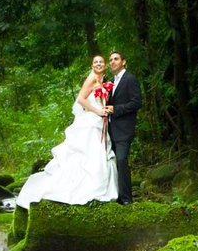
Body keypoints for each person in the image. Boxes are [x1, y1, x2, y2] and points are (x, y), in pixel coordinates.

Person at [15, 55, 118, 209]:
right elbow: (81, 100)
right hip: (90, 122)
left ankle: (99, 188)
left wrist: (103, 111)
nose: (98, 64)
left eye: (101, 62)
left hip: (99, 121)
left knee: (99, 153)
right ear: (91, 65)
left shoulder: (103, 82)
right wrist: (98, 111)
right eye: (95, 62)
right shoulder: (90, 80)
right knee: (87, 153)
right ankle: (82, 188)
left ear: (105, 65)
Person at [105, 51, 140, 204]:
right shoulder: (110, 82)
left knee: (121, 160)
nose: (112, 62)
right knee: (109, 161)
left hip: (124, 129)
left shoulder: (130, 79)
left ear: (123, 62)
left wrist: (116, 109)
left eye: (116, 59)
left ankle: (126, 199)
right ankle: (112, 195)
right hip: (110, 129)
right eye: (111, 60)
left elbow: (136, 103)